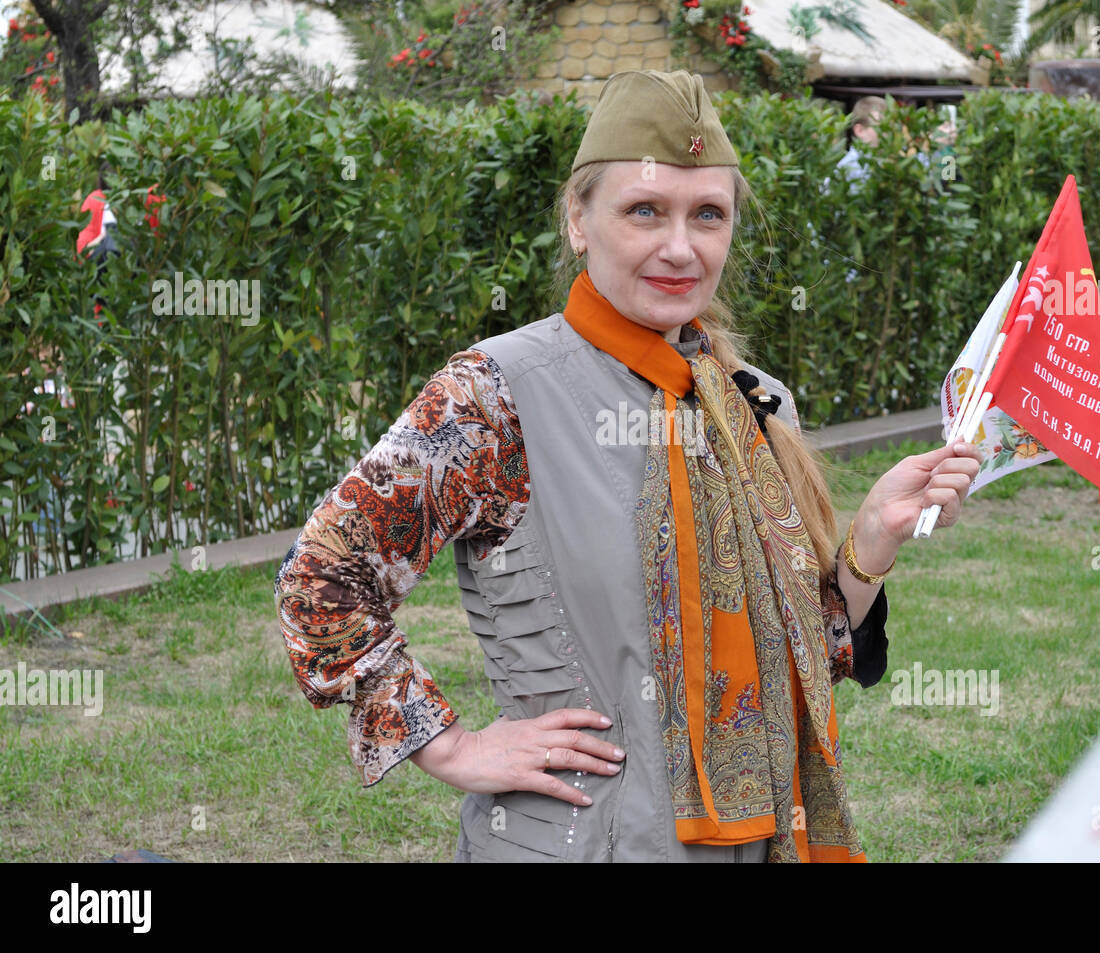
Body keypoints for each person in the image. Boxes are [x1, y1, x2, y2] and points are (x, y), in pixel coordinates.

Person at [274, 69, 983, 863]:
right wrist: (447, 744)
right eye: (644, 210)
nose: (680, 247)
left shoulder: (753, 404)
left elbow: (797, 660)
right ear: (579, 219)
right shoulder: (495, 395)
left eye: (707, 215)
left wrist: (871, 544)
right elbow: (323, 575)